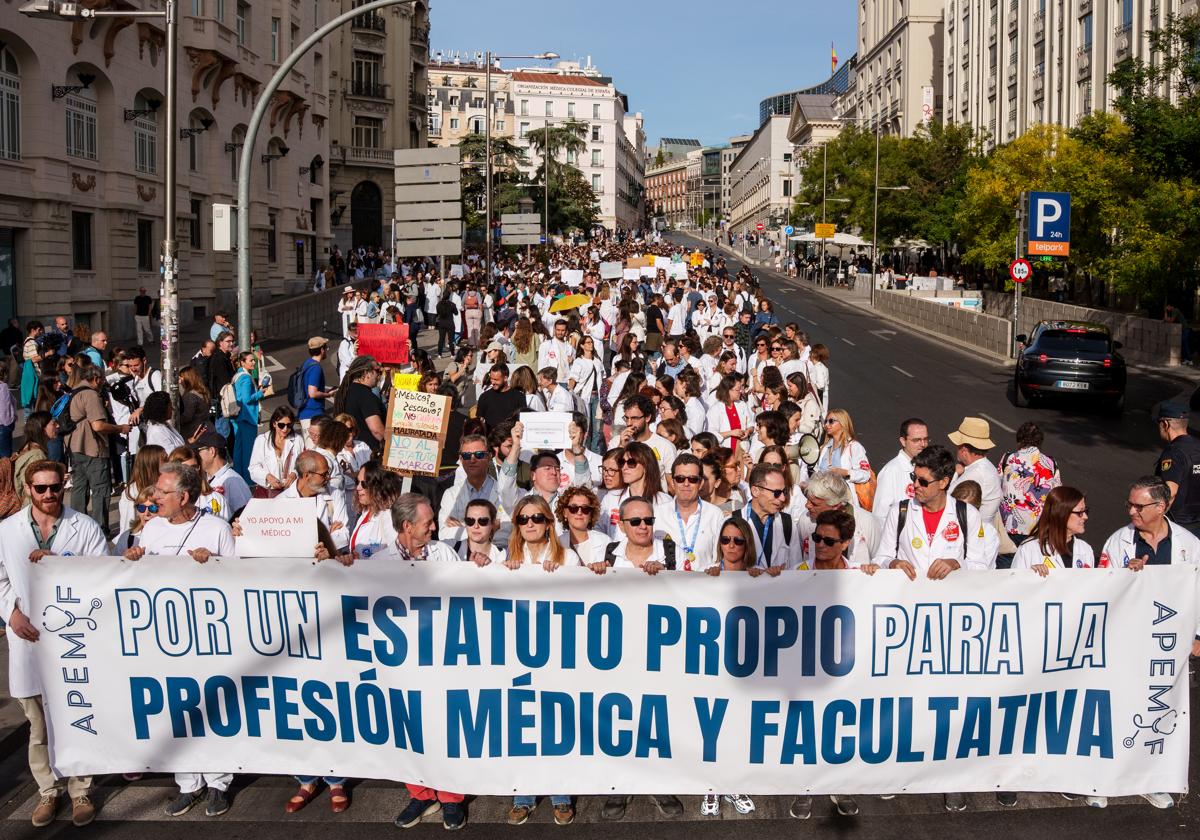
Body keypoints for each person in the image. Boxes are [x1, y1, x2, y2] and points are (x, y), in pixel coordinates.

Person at [124, 462, 237, 818]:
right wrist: (132, 560)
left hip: (208, 637)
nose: (155, 496)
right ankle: (188, 783)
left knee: (213, 707)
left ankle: (218, 782)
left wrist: (215, 563)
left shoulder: (216, 528)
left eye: (162, 491)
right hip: (164, 637)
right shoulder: (151, 529)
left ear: (184, 496)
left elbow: (240, 580)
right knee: (176, 708)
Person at [0, 460, 108, 827]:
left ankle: (80, 790)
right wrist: (11, 614)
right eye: (41, 488)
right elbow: (1, 579)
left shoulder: (85, 527)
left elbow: (101, 575)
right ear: (28, 489)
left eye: (55, 487)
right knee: (39, 725)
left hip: (72, 638)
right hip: (28, 637)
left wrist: (59, 564)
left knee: (76, 716)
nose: (49, 494)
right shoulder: (7, 531)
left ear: (64, 486)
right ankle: (48, 790)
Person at [591, 496, 684, 822]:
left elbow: (695, 590)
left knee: (657, 717)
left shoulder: (670, 552)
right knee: (620, 716)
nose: (643, 526)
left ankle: (658, 783)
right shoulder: (608, 554)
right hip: (618, 652)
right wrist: (596, 574)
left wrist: (668, 575)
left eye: (648, 520)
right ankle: (620, 784)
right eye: (636, 521)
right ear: (622, 525)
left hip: (660, 651)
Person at [386, 494, 467, 831]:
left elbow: (465, 591)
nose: (434, 527)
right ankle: (421, 794)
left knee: (445, 727)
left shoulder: (443, 553)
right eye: (427, 522)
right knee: (407, 729)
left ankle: (451, 797)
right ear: (407, 526)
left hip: (441, 658)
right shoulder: (379, 561)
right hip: (399, 663)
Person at [874, 443, 991, 577]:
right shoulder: (899, 512)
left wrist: (956, 564)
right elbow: (881, 558)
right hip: (909, 590)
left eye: (923, 482)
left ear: (943, 482)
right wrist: (893, 563)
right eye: (914, 477)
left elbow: (980, 566)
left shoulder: (968, 514)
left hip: (950, 590)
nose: (915, 485)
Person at [68, 364, 131, 534]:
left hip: (75, 447)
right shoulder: (91, 395)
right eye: (102, 380)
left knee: (79, 488)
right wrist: (120, 428)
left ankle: (76, 527)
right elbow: (98, 425)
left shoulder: (74, 391)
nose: (104, 383)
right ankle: (99, 529)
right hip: (92, 448)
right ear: (96, 379)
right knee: (101, 489)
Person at [653, 453, 723, 571]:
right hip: (667, 581)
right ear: (672, 482)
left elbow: (719, 560)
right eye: (680, 479)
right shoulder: (657, 513)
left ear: (700, 483)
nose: (686, 484)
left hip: (703, 581)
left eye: (692, 479)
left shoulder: (715, 515)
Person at [280, 450, 351, 552]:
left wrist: (326, 546)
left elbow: (343, 533)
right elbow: (286, 542)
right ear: (307, 476)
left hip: (328, 559)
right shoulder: (281, 502)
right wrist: (327, 538)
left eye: (328, 472)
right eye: (324, 474)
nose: (329, 477)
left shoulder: (335, 494)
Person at [438, 434, 504, 542]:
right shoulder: (451, 494)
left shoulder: (504, 493)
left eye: (479, 455)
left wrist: (463, 527)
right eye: (467, 456)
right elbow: (444, 534)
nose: (472, 460)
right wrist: (490, 527)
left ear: (489, 457)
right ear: (461, 459)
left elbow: (506, 533)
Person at [1011, 486, 1094, 571]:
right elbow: (1014, 578)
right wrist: (1029, 574)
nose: (1085, 517)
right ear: (1061, 514)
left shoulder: (1085, 549)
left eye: (1085, 511)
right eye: (1080, 512)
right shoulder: (1029, 549)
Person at [1151, 401, 1200, 537]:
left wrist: (1155, 521)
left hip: (1178, 526)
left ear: (1165, 424)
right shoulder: (1197, 447)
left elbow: (1170, 492)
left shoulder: (1174, 453)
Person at [873, 418, 929, 524]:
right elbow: (880, 517)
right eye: (916, 440)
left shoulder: (929, 466)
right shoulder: (890, 471)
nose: (923, 444)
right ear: (903, 441)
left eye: (925, 439)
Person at [948, 416, 1002, 525]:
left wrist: (955, 473)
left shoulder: (976, 473)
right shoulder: (987, 466)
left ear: (964, 450)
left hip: (974, 529)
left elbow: (947, 499)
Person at [815, 408, 872, 509]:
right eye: (825, 421)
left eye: (831, 421)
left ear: (843, 423)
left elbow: (865, 474)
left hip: (843, 502)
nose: (826, 425)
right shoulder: (824, 448)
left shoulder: (854, 447)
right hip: (823, 500)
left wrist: (846, 473)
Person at [194, 429, 252, 521]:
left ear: (212, 451)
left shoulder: (233, 481)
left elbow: (246, 516)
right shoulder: (206, 478)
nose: (195, 456)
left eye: (198, 451)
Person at [347, 461, 401, 559]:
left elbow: (396, 557)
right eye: (357, 482)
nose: (358, 487)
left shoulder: (389, 516)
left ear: (378, 486)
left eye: (364, 484)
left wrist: (364, 563)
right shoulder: (365, 513)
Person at [333, 356, 386, 456]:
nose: (379, 374)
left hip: (353, 449)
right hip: (370, 452)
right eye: (377, 371)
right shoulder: (366, 396)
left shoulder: (345, 392)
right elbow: (376, 430)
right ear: (367, 373)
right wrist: (390, 445)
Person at [249, 406, 304, 496]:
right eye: (281, 425)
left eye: (289, 425)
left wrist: (295, 473)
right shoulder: (262, 440)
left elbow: (303, 464)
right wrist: (267, 477)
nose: (285, 429)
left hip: (291, 492)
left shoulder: (298, 440)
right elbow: (253, 467)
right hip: (267, 492)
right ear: (274, 424)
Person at [611, 394, 678, 468]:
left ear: (647, 417)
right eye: (626, 418)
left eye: (634, 418)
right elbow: (610, 470)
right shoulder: (616, 442)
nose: (629, 423)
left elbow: (670, 475)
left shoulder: (666, 447)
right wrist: (621, 448)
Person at [231, 351, 266, 483]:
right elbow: (246, 399)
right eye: (250, 360)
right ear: (242, 362)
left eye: (253, 360)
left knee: (238, 448)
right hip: (247, 417)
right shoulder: (246, 378)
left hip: (238, 416)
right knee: (248, 450)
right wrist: (260, 393)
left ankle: (238, 476)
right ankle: (248, 479)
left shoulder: (237, 375)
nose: (253, 362)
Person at [555, 486, 608, 567]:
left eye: (585, 508)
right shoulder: (556, 543)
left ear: (591, 514)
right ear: (565, 512)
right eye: (573, 508)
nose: (579, 512)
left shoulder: (605, 542)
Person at [14, 412, 56, 503]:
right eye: (53, 424)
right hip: (34, 505)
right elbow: (34, 489)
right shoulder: (37, 456)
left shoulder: (28, 447)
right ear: (42, 429)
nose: (57, 426)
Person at [474, 363, 526, 431]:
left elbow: (523, 420)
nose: (492, 382)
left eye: (496, 379)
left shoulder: (519, 397)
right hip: (491, 437)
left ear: (505, 378)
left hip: (511, 436)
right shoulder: (484, 397)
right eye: (491, 379)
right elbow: (479, 421)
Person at [298, 337, 334, 432]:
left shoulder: (306, 363)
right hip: (313, 415)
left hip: (305, 412)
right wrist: (328, 395)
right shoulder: (316, 368)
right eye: (326, 348)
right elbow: (312, 393)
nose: (327, 350)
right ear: (322, 350)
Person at [114, 486, 158, 552]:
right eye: (141, 508)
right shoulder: (127, 537)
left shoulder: (170, 536)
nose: (147, 513)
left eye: (152, 508)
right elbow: (116, 558)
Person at [177, 365, 211, 441]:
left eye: (181, 378)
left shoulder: (191, 395)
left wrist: (174, 419)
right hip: (204, 428)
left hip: (193, 433)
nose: (179, 382)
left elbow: (187, 417)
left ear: (188, 378)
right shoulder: (203, 391)